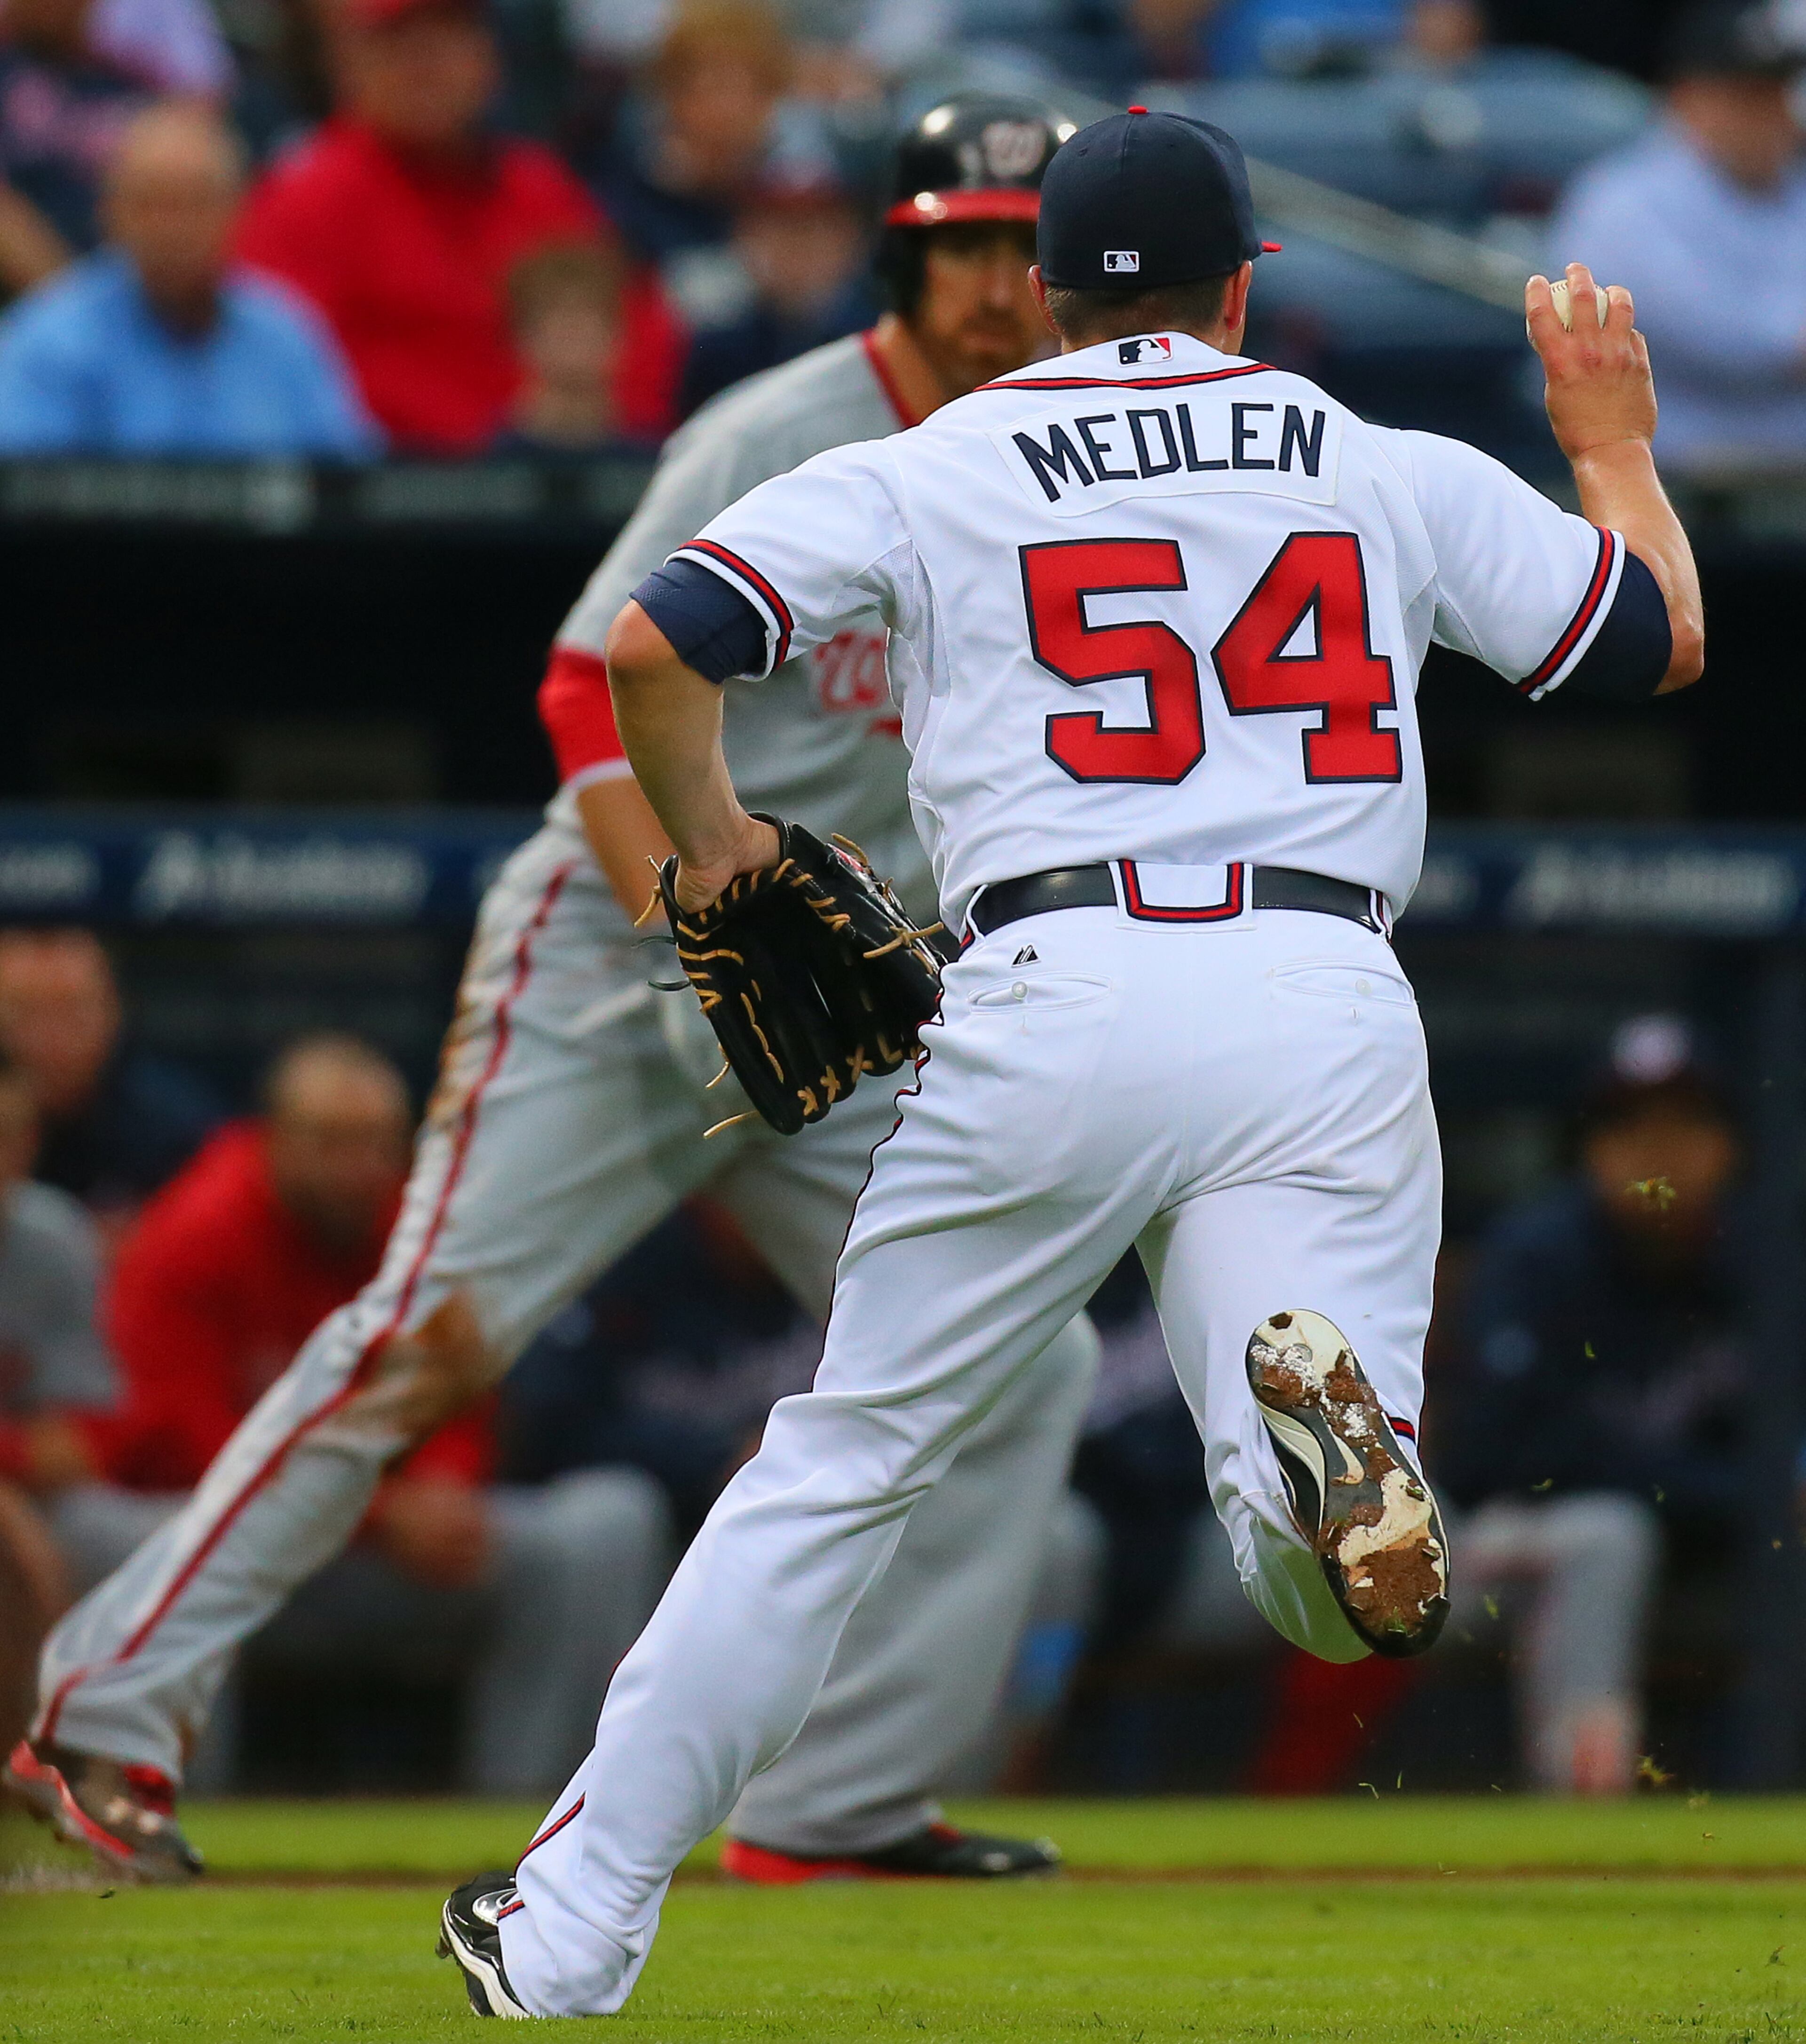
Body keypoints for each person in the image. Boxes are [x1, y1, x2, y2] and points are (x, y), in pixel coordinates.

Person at [436, 105, 1702, 2016]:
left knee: (845, 1463)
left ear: (1040, 288)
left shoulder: (940, 456)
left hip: (1052, 978)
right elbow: (1655, 637)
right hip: (1320, 996)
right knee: (1325, 1585)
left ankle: (580, 1917)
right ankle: (1320, 1471)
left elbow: (650, 645)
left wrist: (723, 856)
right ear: (1249, 285)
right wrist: (1610, 447)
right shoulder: (1370, 458)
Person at [11, 95, 1099, 1893]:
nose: (996, 282)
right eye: (964, 242)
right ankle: (98, 1726)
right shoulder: (785, 428)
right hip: (616, 963)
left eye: (1023, 245)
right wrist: (691, 932)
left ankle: (834, 1806)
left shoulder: (1060, 457)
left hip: (828, 1009)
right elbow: (593, 690)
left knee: (1013, 1353)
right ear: (908, 253)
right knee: (418, 1348)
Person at [34, 1034, 671, 1815]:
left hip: (388, 1562)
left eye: (376, 1145)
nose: (358, 1169)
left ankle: (533, 1832)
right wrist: (378, 1513)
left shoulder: (417, 1227)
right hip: (243, 1563)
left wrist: (442, 1484)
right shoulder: (197, 1231)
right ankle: (170, 1824)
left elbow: (464, 1390)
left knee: (607, 1519)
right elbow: (187, 1443)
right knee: (109, 1532)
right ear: (273, 1141)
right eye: (332, 1145)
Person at [1434, 1013, 1746, 1792]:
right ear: (1593, 1149)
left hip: (1693, 1549)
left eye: (1685, 1127)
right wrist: (1725, 1490)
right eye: (1630, 1129)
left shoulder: (1759, 1262)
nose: (1658, 1153)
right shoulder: (1539, 1257)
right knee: (1608, 1535)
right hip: (1482, 1540)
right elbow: (1488, 1461)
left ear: (1727, 1147)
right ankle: (1583, 1801)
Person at [234, 0, 679, 451]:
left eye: (448, 43)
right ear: (349, 63)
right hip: (381, 495)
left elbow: (640, 327)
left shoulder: (539, 188)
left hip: (552, 483)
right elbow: (273, 373)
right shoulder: (305, 197)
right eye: (402, 47)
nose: (426, 68)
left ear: (490, 59)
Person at [0, 104, 379, 456]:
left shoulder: (287, 338)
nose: (173, 228)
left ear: (239, 211)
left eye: (196, 203)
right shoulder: (48, 342)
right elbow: (26, 500)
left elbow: (350, 490)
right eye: (151, 204)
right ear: (109, 213)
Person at [1547, 0, 1806, 479]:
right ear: (1687, 98)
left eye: (1777, 95)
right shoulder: (1622, 198)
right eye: (1746, 96)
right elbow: (1728, 341)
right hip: (1674, 485)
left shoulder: (1794, 190)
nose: (1769, 115)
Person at [0, 1049, 115, 1754]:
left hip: (41, 1505)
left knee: (151, 1548)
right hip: (20, 1508)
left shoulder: (53, 1238)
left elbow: (80, 1445)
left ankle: (136, 1788)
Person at [0, 929, 222, 1228]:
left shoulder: (181, 1129)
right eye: (28, 1013)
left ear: (113, 1011)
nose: (52, 1036)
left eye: (72, 1011)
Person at [676, 161, 878, 418]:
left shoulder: (879, 339)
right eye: (779, 225)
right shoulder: (718, 351)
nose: (797, 246)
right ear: (743, 235)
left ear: (853, 237)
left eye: (815, 226)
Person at [0, 0, 153, 260]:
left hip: (119, 264)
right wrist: (70, 294)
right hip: (30, 279)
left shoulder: (123, 79)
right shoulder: (8, 74)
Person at [492, 240, 646, 454]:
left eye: (588, 320)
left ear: (618, 337)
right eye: (559, 321)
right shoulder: (485, 470)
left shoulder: (650, 469)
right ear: (522, 338)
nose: (574, 334)